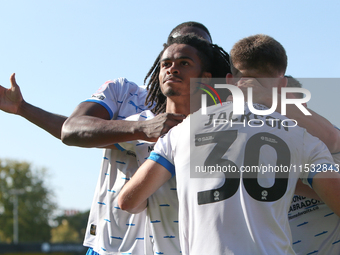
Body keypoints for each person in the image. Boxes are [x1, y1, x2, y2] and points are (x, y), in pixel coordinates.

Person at [0, 22, 213, 255]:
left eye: (188, 58)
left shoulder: (216, 115)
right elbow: (72, 129)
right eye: (171, 56)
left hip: (177, 245)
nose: (175, 67)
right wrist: (141, 128)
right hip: (112, 243)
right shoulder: (124, 92)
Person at [118, 34, 340, 255]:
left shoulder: (182, 131)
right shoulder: (303, 138)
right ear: (282, 84)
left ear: (229, 81)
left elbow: (127, 201)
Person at [116, 34, 230, 254]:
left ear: (205, 79)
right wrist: (26, 109)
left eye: (184, 63)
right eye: (166, 64)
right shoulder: (140, 126)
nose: (172, 69)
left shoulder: (225, 129)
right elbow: (75, 132)